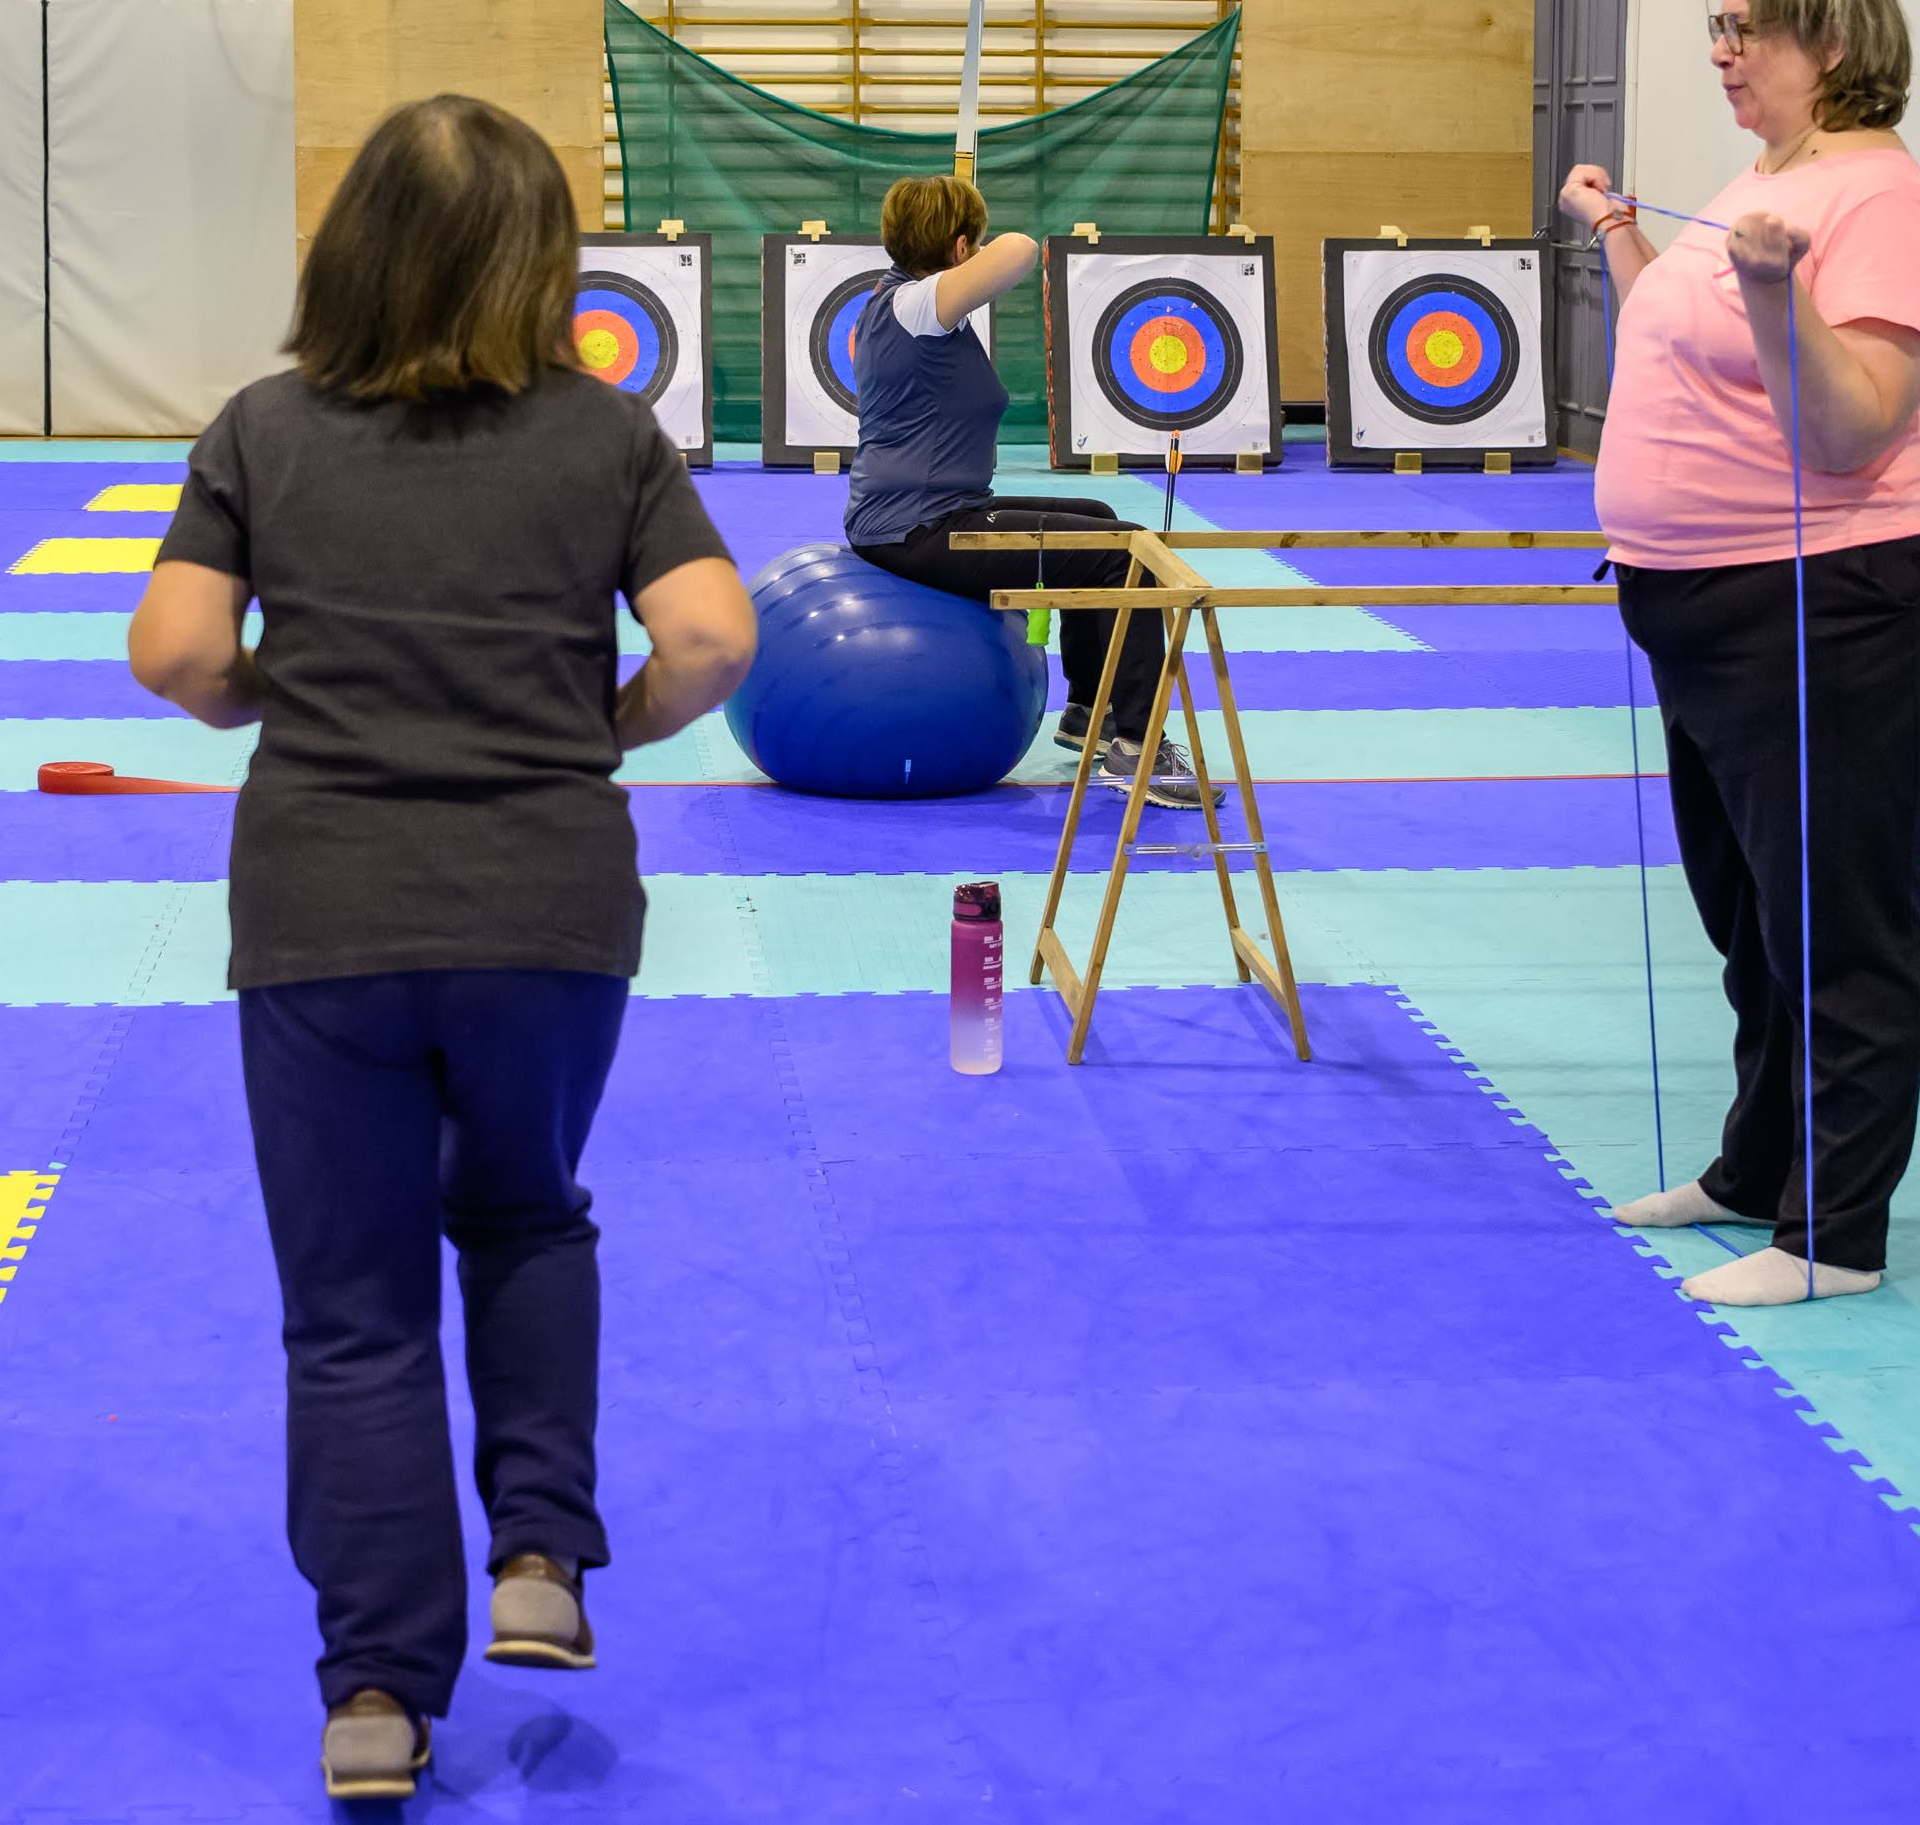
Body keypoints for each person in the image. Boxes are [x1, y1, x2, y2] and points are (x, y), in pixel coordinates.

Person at [125, 94, 756, 1798]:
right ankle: (539, 1556)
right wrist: (605, 725)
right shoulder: (607, 433)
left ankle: (377, 1700)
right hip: (550, 906)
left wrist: (290, 694)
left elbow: (173, 652)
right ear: (546, 266)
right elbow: (711, 637)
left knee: (352, 1312)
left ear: (350, 254)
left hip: (322, 909)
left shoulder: (264, 427)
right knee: (527, 1213)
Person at [1558, 0, 1920, 1309]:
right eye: (1722, 24)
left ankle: (1836, 1237)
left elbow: (1856, 429)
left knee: (1836, 916)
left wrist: (1765, 289)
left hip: (1846, 591)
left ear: (1841, 46)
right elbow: (1685, 355)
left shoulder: (1884, 203)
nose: (1721, 51)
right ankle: (1756, 1171)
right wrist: (1626, 237)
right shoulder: (1773, 174)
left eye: (1750, 29)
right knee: (1751, 912)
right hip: (1713, 607)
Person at [842, 173, 1218, 808]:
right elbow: (1020, 248)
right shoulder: (914, 306)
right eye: (972, 239)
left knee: (1099, 517)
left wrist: (957, 236)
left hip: (937, 513)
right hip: (917, 530)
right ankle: (1136, 743)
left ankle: (1087, 709)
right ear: (961, 248)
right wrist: (974, 242)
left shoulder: (906, 305)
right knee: (1127, 553)